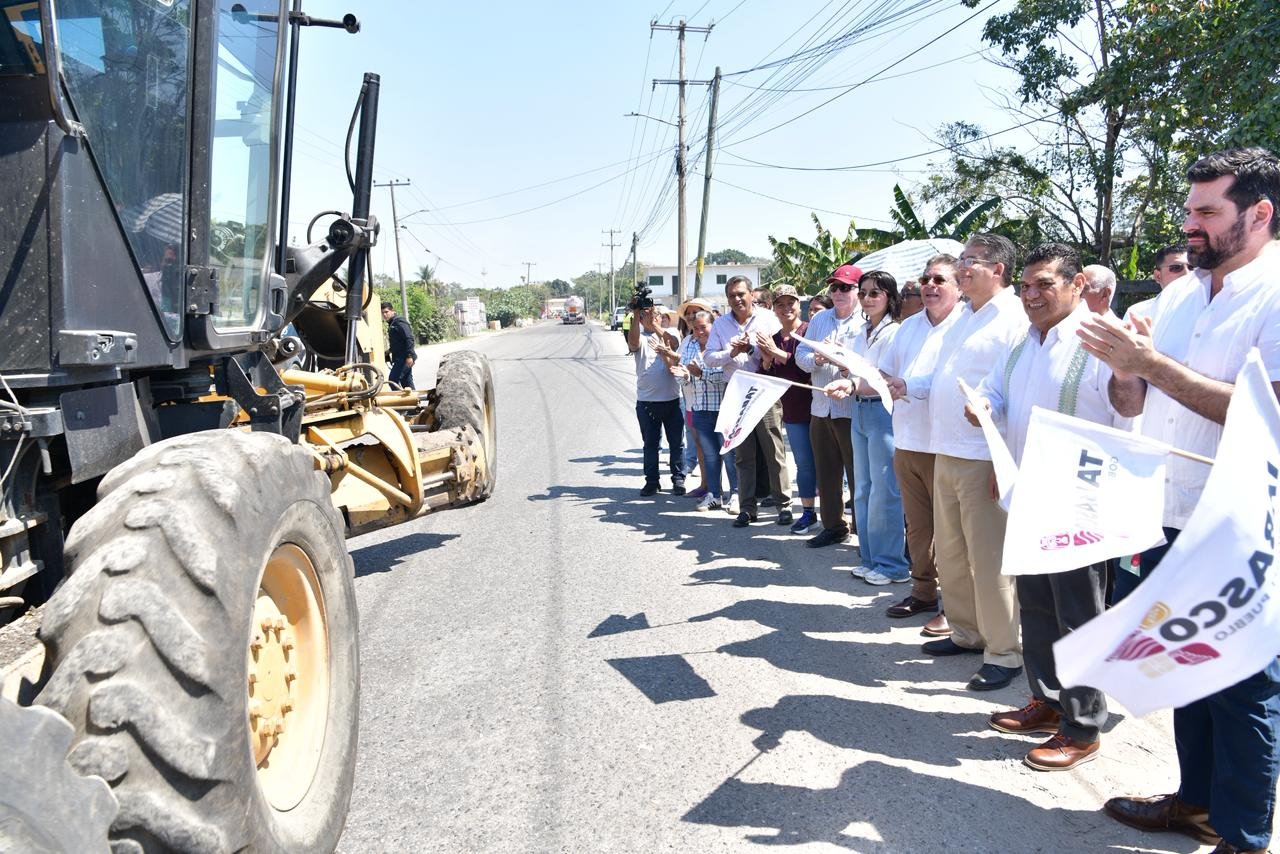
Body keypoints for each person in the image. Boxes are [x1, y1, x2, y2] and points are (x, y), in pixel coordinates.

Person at [1079, 147, 1280, 854]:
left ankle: (1244, 835)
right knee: (1184, 664)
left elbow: (1269, 411)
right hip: (1167, 510)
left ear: (1260, 214)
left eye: (1206, 211)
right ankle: (1196, 804)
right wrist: (1122, 366)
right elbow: (1132, 399)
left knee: (1245, 684)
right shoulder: (1178, 294)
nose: (1188, 226)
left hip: (1243, 522)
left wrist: (1152, 365)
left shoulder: (1277, 292)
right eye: (1188, 209)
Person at [967, 242, 1116, 772]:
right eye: (1026, 286)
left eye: (1043, 285)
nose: (1030, 296)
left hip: (1081, 500)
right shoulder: (1023, 342)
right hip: (1027, 492)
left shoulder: (1102, 340)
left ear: (1078, 285)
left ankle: (1083, 726)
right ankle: (1048, 700)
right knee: (1036, 605)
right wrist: (982, 406)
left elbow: (1129, 415)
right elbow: (997, 392)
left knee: (1079, 614)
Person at [887, 234, 1026, 691]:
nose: (963, 268)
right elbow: (940, 375)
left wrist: (996, 438)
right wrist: (905, 385)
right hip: (944, 449)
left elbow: (1012, 388)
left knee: (989, 560)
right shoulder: (966, 316)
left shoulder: (1014, 319)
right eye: (962, 260)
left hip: (983, 455)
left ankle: (1003, 652)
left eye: (972, 262)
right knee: (950, 553)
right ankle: (966, 633)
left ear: (998, 270)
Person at [878, 256, 966, 634]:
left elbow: (949, 379)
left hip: (947, 443)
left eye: (940, 279)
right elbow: (885, 372)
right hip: (908, 438)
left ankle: (956, 605)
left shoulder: (966, 325)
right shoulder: (907, 328)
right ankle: (923, 592)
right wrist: (865, 380)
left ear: (959, 285)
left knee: (951, 532)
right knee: (918, 528)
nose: (930, 286)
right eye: (925, 279)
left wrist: (908, 385)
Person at [825, 270, 908, 584]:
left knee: (885, 490)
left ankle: (893, 565)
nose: (867, 298)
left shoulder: (895, 331)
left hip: (882, 413)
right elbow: (857, 370)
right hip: (859, 411)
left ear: (889, 296)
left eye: (875, 293)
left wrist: (849, 383)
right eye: (863, 293)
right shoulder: (861, 330)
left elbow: (881, 378)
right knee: (863, 489)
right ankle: (871, 558)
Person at [704, 275, 791, 527]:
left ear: (752, 294)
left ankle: (783, 505)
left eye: (741, 294)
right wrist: (731, 352)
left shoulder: (767, 319)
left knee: (774, 451)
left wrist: (751, 350)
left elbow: (777, 353)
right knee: (743, 454)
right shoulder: (720, 324)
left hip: (764, 391)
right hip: (736, 393)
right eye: (732, 295)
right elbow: (709, 358)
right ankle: (747, 508)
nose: (737, 299)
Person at [795, 265, 863, 549]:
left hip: (852, 408)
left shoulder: (866, 321)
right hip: (821, 406)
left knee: (859, 473)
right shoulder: (820, 318)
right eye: (834, 287)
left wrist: (843, 362)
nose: (838, 293)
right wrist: (819, 359)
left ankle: (864, 529)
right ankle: (834, 526)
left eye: (845, 287)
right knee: (827, 471)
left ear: (858, 290)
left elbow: (870, 366)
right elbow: (800, 355)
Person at [757, 284, 818, 533]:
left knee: (827, 466)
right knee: (803, 465)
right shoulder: (772, 339)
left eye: (790, 303)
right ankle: (808, 512)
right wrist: (768, 359)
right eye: (780, 304)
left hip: (819, 410)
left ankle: (838, 515)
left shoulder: (809, 332)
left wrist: (777, 355)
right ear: (773, 309)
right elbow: (767, 374)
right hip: (793, 413)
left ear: (798, 305)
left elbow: (803, 368)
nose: (786, 308)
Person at [674, 310, 737, 512]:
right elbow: (682, 375)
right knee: (709, 456)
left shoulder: (721, 345)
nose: (700, 331)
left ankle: (736, 494)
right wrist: (684, 375)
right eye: (696, 327)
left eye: (704, 327)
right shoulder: (689, 344)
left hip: (722, 408)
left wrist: (700, 374)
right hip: (700, 408)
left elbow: (726, 376)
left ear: (713, 325)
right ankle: (714, 495)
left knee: (729, 455)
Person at [627, 302, 685, 497]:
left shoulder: (672, 334)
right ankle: (652, 481)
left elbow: (675, 345)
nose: (652, 317)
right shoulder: (641, 337)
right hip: (647, 402)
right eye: (648, 315)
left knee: (676, 443)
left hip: (672, 400)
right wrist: (636, 314)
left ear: (662, 318)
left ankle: (678, 479)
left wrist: (657, 326)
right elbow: (633, 343)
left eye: (657, 315)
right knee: (650, 444)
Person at [1123, 243, 1190, 323]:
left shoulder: (1206, 310)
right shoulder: (1138, 314)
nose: (1187, 273)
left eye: (1192, 267)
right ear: (1158, 276)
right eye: (1176, 268)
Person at [381, 301, 417, 388]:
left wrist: (409, 356)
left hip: (404, 358)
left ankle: (402, 401)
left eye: (386, 312)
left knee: (393, 380)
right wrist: (388, 351)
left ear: (393, 311)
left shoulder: (399, 322)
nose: (385, 315)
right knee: (406, 382)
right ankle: (412, 401)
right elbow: (398, 342)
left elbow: (409, 338)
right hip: (400, 358)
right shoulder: (392, 323)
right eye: (383, 313)